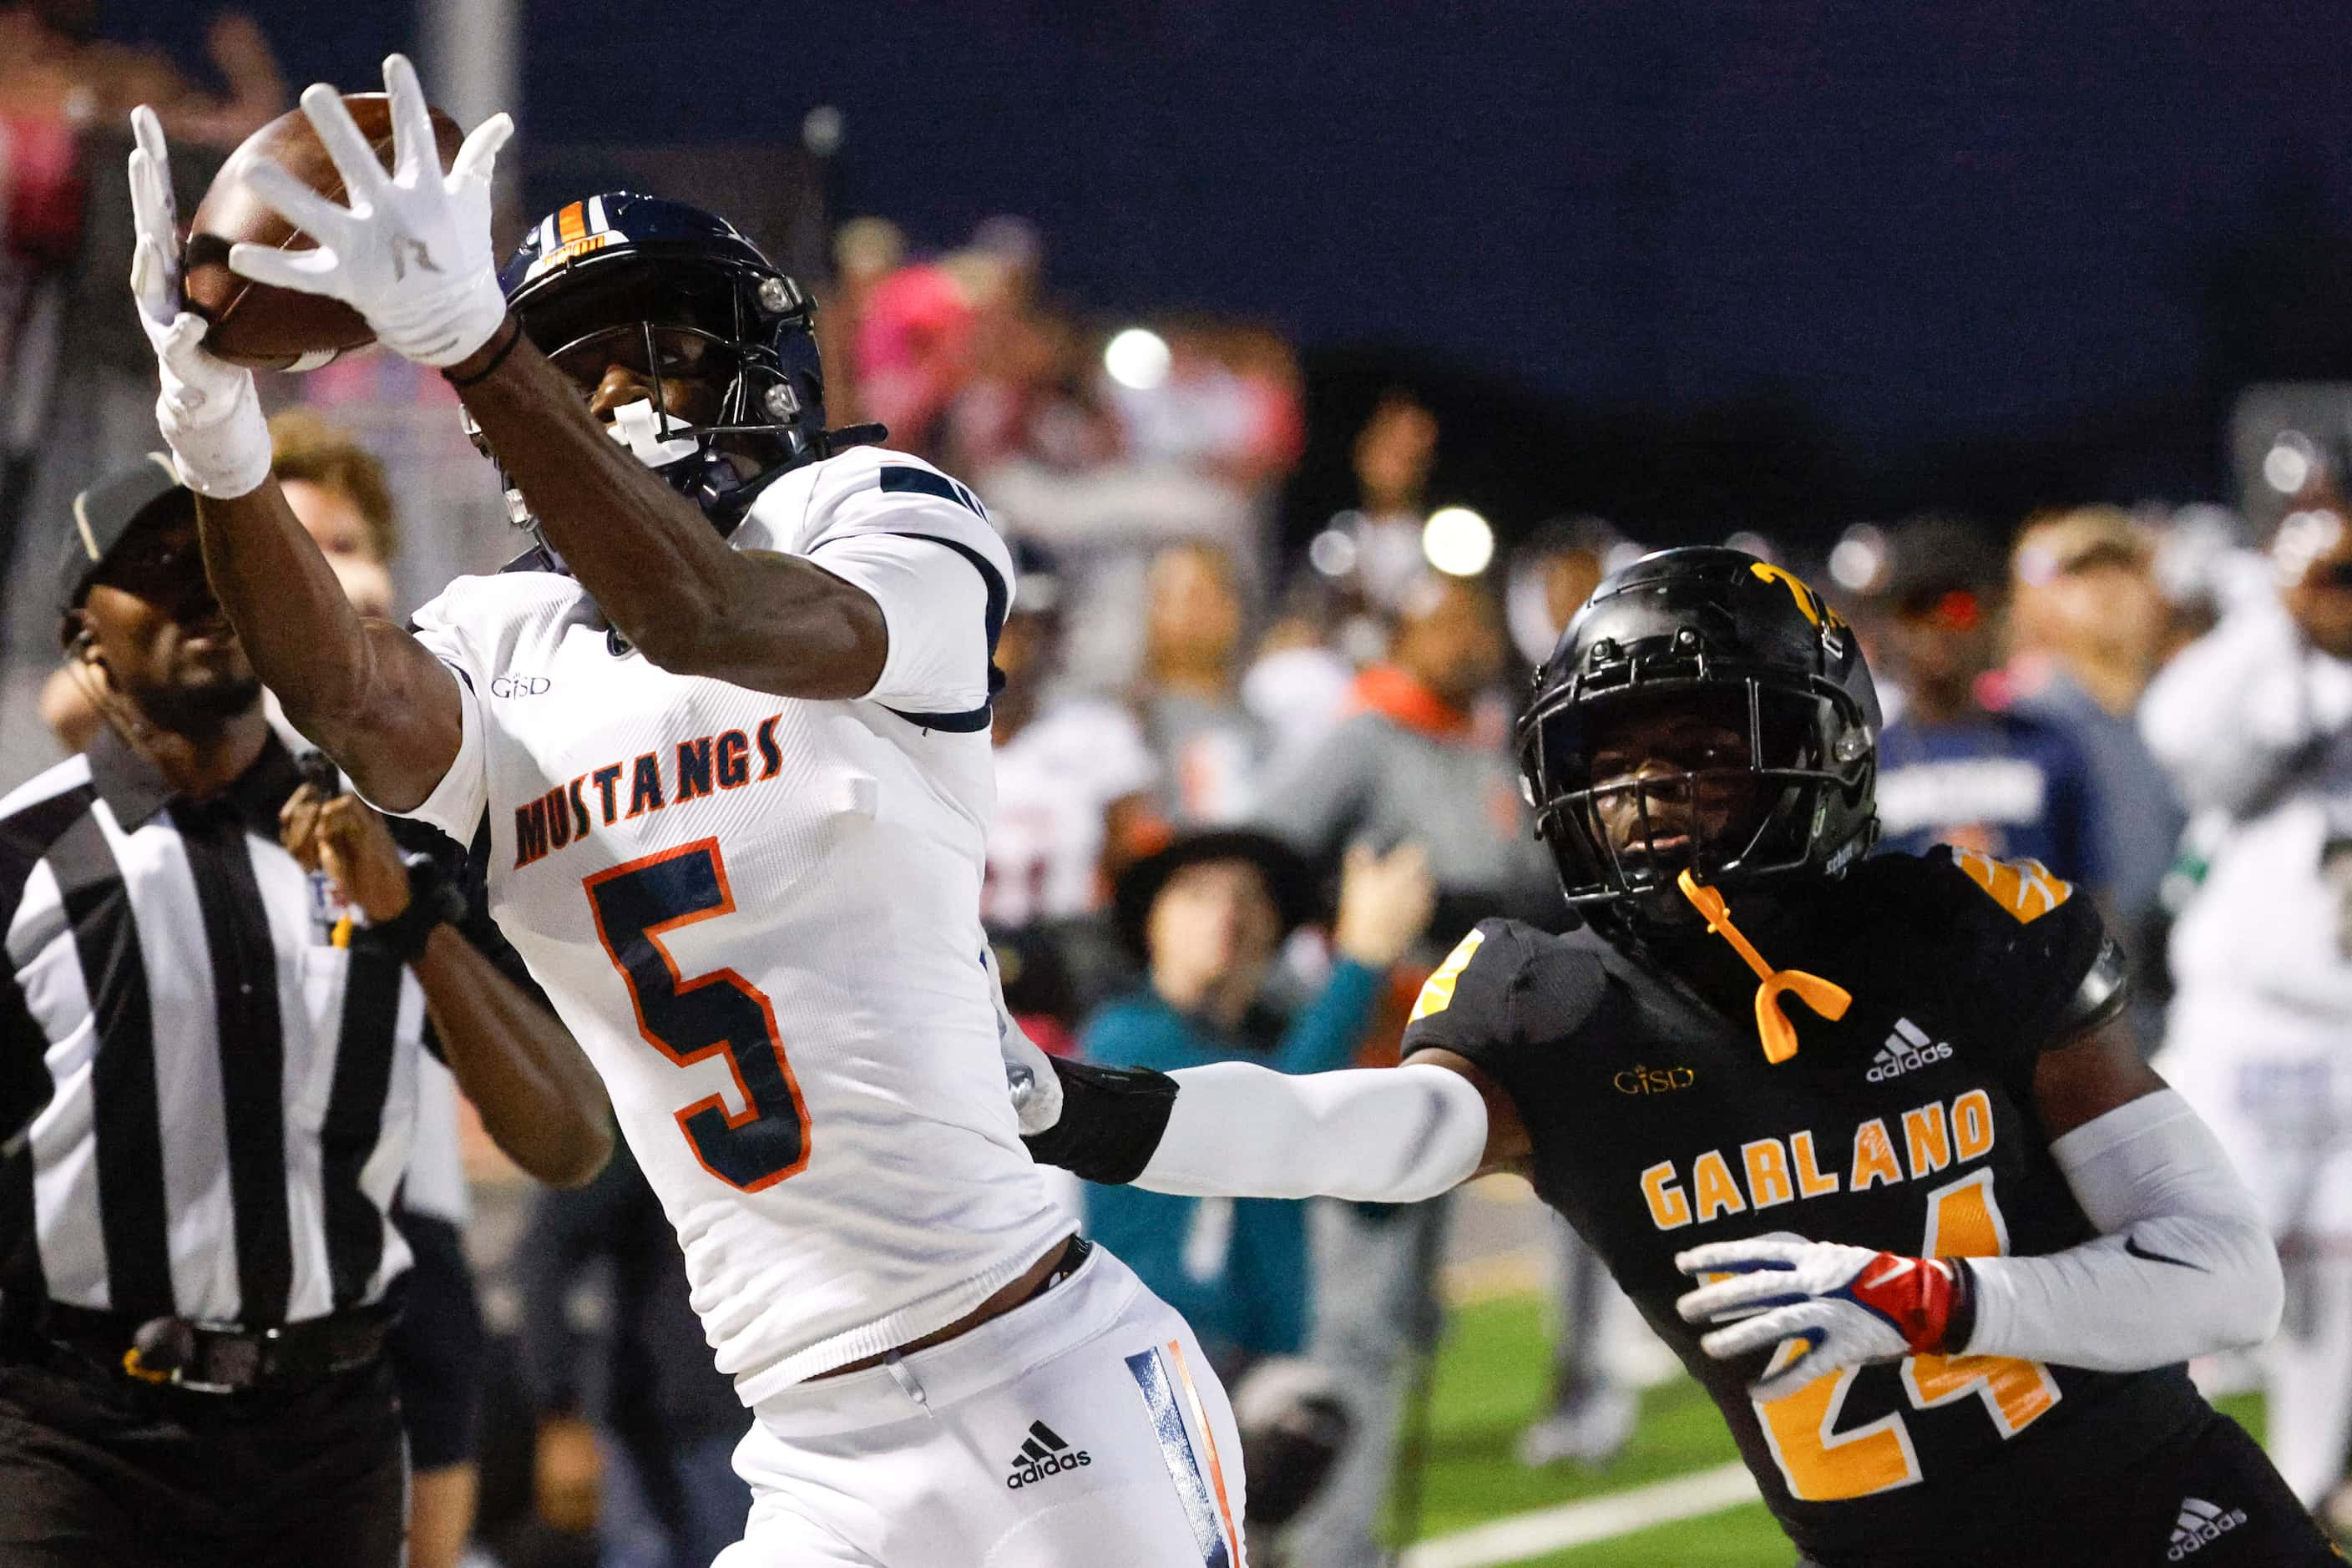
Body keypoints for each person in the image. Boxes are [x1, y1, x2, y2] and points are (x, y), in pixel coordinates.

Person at [132, 63, 1249, 1566]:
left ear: (754, 359)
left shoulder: (878, 512)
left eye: (658, 349)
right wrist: (214, 429)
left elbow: (712, 614)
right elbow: (353, 701)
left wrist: (482, 342)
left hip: (1037, 1364)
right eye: (574, 363)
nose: (614, 393)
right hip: (806, 1442)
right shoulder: (498, 637)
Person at [1026, 547, 2332, 1567]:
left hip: (2165, 1519)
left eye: (1701, 751)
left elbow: (2222, 1282)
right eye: (1611, 758)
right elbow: (1355, 1134)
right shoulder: (1550, 999)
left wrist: (1931, 1302)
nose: (1646, 789)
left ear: (1813, 754)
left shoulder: (1966, 932)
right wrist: (1076, 1105)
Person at [0, 458, 611, 1567]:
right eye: (152, 567)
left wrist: (411, 919)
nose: (201, 589)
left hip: (327, 1438)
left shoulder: (392, 841)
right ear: (86, 641)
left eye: (219, 559)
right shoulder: (22, 861)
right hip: (78, 1436)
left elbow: (567, 1138)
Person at [1252, 569, 1556, 1568]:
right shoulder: (1364, 737)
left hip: (1459, 1077)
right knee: (1353, 1329)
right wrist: (1367, 938)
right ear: (1400, 631)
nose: (1469, 639)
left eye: (1478, 619)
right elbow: (1268, 862)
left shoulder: (1487, 746)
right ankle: (1331, 1545)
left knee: (1401, 1327)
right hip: (1370, 1064)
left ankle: (1351, 1537)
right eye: (1447, 620)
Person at [2142, 494, 2352, 1512]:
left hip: (2350, 1033)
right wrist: (2286, 613)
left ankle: (2306, 1493)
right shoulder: (2258, 653)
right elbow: (2179, 734)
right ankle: (2143, 1489)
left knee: (2336, 1281)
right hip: (2246, 1026)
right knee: (2193, 1268)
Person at [1081, 832, 1433, 1378]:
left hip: (1262, 1351)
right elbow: (1270, 1122)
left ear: (1276, 926)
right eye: (1197, 895)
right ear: (1150, 920)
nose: (1226, 915)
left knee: (1335, 1407)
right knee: (1293, 1425)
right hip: (1147, 1363)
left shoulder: (1282, 1046)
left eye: (1248, 898)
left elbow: (1373, 1198)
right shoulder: (1123, 1040)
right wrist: (1362, 959)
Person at [2004, 507, 2186, 1054]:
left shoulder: (2194, 705)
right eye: (2078, 573)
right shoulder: (2023, 725)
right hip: (2079, 1015)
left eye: (2121, 569)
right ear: (2045, 601)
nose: (2103, 590)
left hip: (2199, 998)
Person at [1871, 517, 2107, 888]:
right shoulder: (1863, 766)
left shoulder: (2051, 749)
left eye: (1957, 608)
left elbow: (2094, 897)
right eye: (1916, 609)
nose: (1936, 628)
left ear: (1990, 615)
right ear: (1890, 626)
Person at [1135, 541, 1270, 827]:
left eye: (1195, 596)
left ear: (1231, 612)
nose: (1182, 613)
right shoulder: (1131, 726)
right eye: (1164, 598)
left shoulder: (1261, 728)